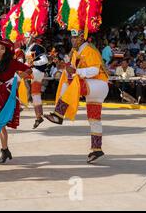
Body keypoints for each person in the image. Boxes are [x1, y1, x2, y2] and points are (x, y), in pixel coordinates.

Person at [45, 30, 109, 163]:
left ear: (81, 38)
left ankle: (59, 113)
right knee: (93, 119)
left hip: (99, 84)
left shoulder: (89, 50)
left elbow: (95, 70)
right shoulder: (75, 53)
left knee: (72, 82)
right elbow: (71, 72)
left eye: (74, 37)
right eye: (71, 37)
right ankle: (97, 149)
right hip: (93, 87)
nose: (72, 40)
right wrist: (65, 66)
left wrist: (75, 71)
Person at [24, 37, 49, 129]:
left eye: (26, 37)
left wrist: (33, 64)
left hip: (36, 72)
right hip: (33, 72)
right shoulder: (29, 47)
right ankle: (39, 116)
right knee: (35, 95)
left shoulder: (37, 47)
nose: (25, 39)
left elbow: (45, 60)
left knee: (35, 94)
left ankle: (38, 116)